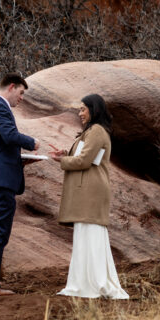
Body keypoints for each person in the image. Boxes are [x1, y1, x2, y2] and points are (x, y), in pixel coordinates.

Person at [50, 94, 128, 299]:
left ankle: (92, 285)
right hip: (88, 191)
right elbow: (85, 157)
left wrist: (63, 161)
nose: (80, 113)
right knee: (87, 236)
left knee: (90, 235)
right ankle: (87, 283)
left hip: (91, 192)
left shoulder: (96, 131)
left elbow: (84, 161)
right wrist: (65, 154)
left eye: (83, 109)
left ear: (94, 110)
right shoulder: (93, 131)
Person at [0, 72, 40, 297]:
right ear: (11, 87)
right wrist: (32, 143)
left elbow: (1, 146)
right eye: (21, 93)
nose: (21, 98)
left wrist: (20, 161)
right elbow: (9, 135)